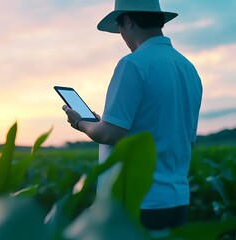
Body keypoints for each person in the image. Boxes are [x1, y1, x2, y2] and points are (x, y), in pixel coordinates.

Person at [61, 0, 203, 231]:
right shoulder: (189, 69)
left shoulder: (133, 65)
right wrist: (102, 122)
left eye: (119, 28)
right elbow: (188, 141)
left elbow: (110, 133)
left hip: (138, 201)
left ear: (127, 20)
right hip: (177, 200)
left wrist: (80, 122)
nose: (122, 36)